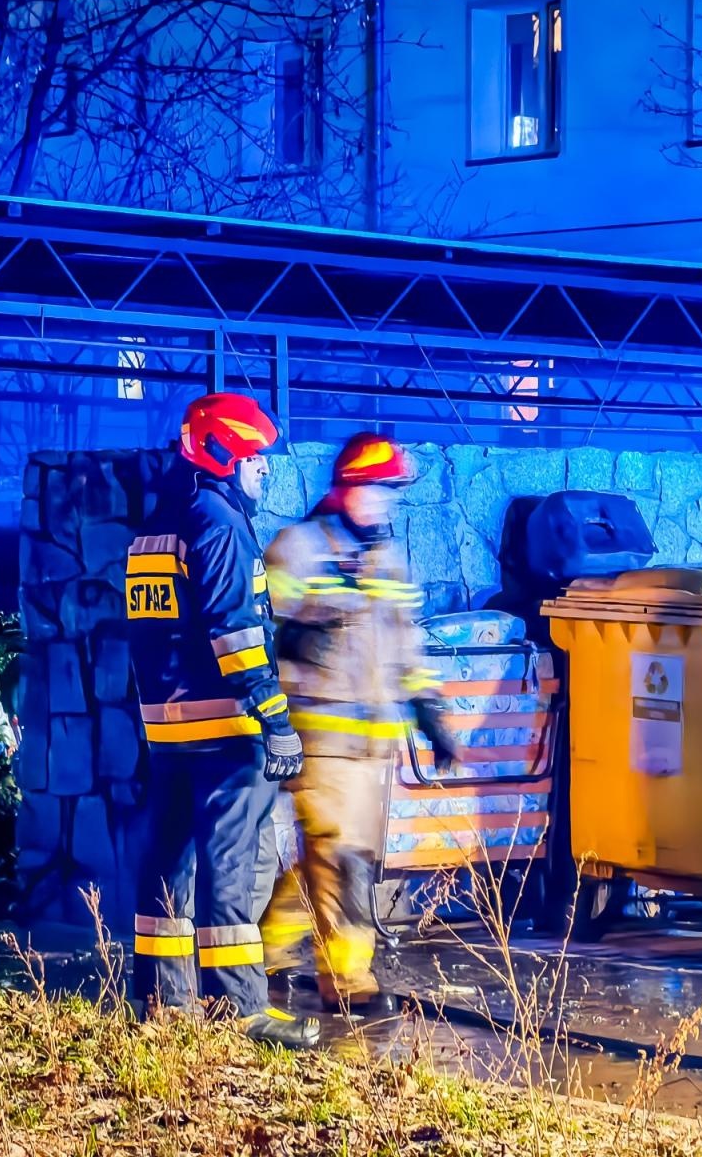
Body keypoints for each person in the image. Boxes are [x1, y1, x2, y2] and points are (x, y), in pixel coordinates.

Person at [124, 393, 320, 1050]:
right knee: (231, 869)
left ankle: (161, 1004)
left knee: (167, 868)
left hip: (169, 729)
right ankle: (238, 1012)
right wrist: (276, 720)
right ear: (225, 456)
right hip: (227, 730)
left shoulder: (157, 524)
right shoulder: (220, 524)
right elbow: (235, 633)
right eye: (256, 461)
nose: (262, 473)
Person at [261, 433, 458, 1015]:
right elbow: (262, 615)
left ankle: (258, 956)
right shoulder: (297, 547)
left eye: (390, 493)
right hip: (319, 741)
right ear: (346, 488)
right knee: (342, 860)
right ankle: (349, 982)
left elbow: (406, 645)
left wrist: (431, 712)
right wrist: (314, 612)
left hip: (373, 747)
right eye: (376, 490)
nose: (383, 503)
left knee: (332, 863)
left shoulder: (388, 559)